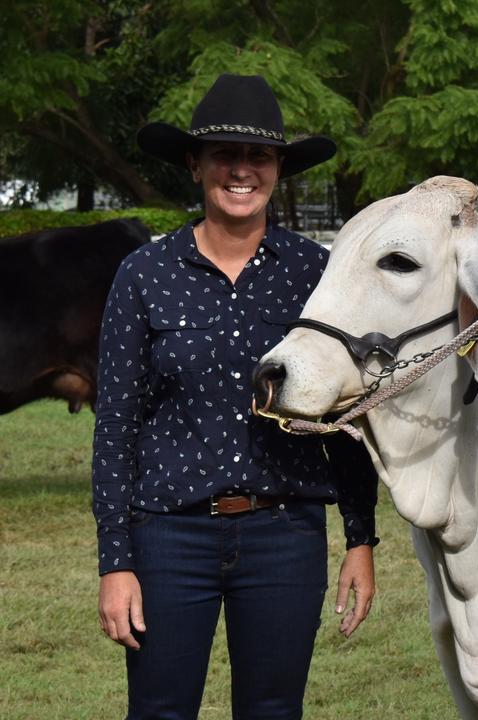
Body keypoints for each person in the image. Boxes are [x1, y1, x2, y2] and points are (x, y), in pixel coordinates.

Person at [93, 74, 379, 719]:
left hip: (285, 533)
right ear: (195, 165)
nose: (241, 171)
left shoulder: (317, 275)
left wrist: (360, 540)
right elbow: (115, 427)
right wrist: (116, 562)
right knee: (160, 711)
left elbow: (345, 417)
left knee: (273, 712)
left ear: (279, 168)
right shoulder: (146, 273)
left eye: (259, 156)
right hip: (168, 536)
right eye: (224, 154)